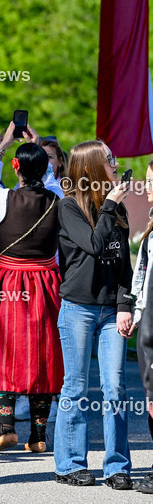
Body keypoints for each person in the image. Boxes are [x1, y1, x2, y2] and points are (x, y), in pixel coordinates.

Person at [0, 122, 63, 456]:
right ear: (46, 166)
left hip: (8, 281)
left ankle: (6, 428)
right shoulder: (58, 199)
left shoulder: (2, 198)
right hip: (47, 282)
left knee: (2, 349)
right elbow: (52, 181)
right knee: (43, 353)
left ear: (16, 168)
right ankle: (39, 436)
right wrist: (38, 148)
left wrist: (3, 145)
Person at [54, 139, 133, 489]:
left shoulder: (117, 208)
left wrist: (124, 307)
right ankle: (70, 464)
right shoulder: (68, 206)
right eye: (109, 159)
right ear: (89, 168)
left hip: (110, 311)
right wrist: (110, 204)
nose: (115, 164)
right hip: (78, 309)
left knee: (115, 387)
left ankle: (117, 467)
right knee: (76, 386)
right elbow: (94, 244)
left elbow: (123, 265)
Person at [128, 161, 153, 495]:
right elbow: (142, 273)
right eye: (146, 181)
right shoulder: (150, 226)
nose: (146, 188)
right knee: (150, 398)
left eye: (152, 182)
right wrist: (135, 309)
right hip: (147, 321)